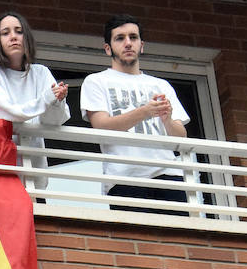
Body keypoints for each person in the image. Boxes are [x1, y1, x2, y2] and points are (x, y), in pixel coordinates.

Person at [79, 14, 191, 212]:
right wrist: (144, 112)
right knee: (135, 242)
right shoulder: (96, 81)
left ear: (142, 45)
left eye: (133, 37)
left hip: (169, 175)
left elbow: (181, 137)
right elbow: (101, 126)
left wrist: (167, 120)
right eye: (120, 38)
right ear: (108, 48)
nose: (128, 43)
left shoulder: (160, 84)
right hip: (124, 176)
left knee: (176, 241)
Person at [0, 11, 70, 186]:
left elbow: (54, 122)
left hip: (34, 174)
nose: (13, 37)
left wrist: (57, 101)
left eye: (19, 31)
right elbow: (2, 115)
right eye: (5, 33)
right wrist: (46, 100)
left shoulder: (41, 73)